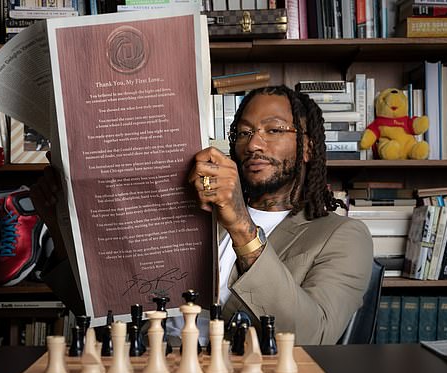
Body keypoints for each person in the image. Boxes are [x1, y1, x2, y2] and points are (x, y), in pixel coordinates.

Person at [31, 85, 373, 346]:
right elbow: (104, 311)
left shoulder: (342, 236)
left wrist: (240, 224)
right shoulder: (194, 216)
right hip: (153, 371)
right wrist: (57, 225)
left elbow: (312, 336)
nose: (253, 144)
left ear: (309, 147)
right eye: (243, 132)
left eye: (273, 130)